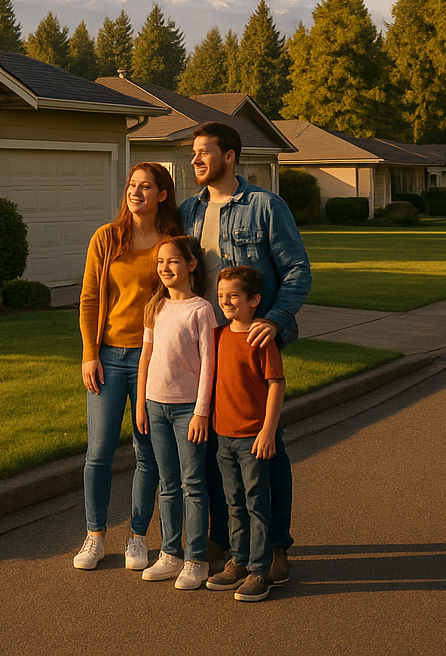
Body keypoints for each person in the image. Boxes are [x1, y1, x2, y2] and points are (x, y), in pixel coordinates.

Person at [179, 120, 310, 586]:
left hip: (250, 342)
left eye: (204, 152)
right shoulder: (188, 210)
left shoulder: (264, 206)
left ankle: (275, 547)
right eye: (193, 153)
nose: (195, 160)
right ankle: (232, 544)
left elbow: (296, 269)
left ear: (230, 156)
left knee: (265, 449)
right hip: (205, 344)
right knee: (216, 445)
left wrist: (273, 319)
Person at [72, 162, 182, 571]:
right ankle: (95, 536)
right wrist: (89, 353)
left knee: (147, 453)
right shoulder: (107, 238)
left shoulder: (171, 244)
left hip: (152, 360)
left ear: (162, 194)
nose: (135, 192)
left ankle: (138, 537)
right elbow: (88, 300)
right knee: (98, 453)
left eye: (145, 186)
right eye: (132, 185)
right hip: (107, 357)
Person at [134, 235, 219, 590]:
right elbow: (146, 358)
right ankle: (170, 553)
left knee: (192, 484)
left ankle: (196, 558)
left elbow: (209, 366)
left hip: (188, 410)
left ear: (191, 265)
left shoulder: (201, 310)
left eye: (172, 261)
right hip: (155, 406)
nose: (165, 268)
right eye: (159, 263)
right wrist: (140, 403)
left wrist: (201, 412)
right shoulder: (155, 307)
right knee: (167, 485)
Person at [204, 266, 284, 602]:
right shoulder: (219, 335)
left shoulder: (261, 338)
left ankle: (259, 570)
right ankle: (237, 561)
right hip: (223, 437)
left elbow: (276, 385)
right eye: (221, 296)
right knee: (233, 502)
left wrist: (268, 431)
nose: (226, 301)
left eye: (234, 296)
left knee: (256, 505)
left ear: (254, 300)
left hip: (253, 437)